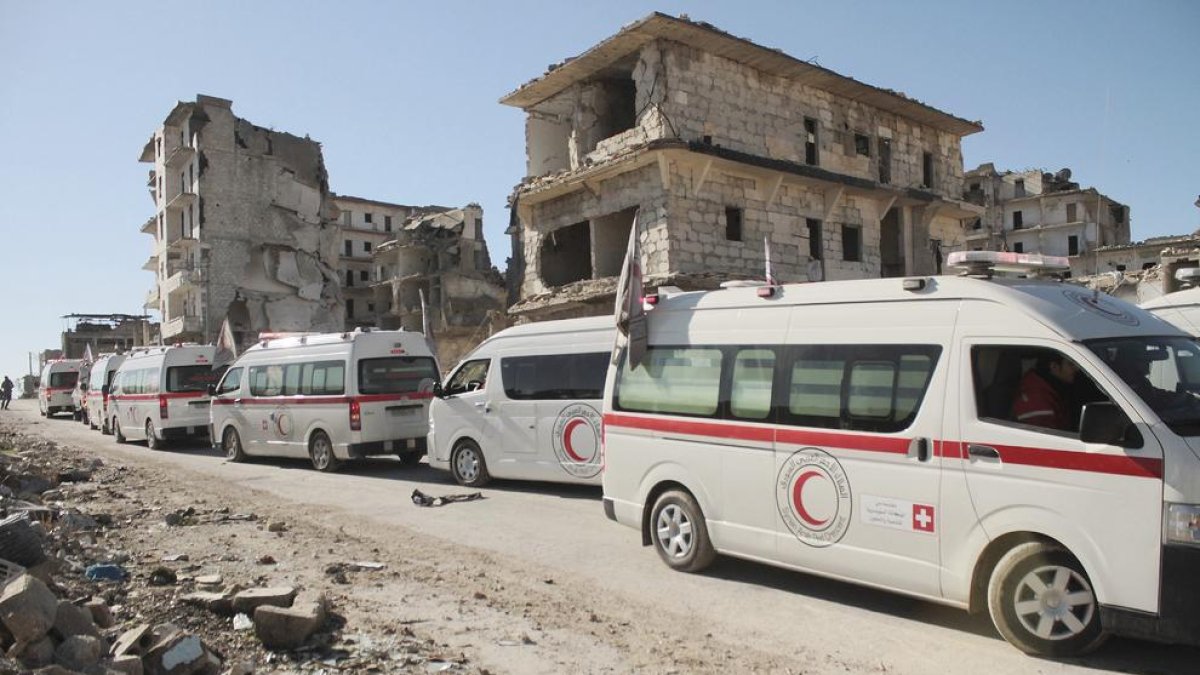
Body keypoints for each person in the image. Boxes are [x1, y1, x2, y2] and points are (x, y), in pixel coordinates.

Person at [1012, 354, 1079, 431]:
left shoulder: (1053, 389)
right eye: (1071, 364)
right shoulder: (1037, 400)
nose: (1077, 369)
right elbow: (1045, 438)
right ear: (1054, 366)